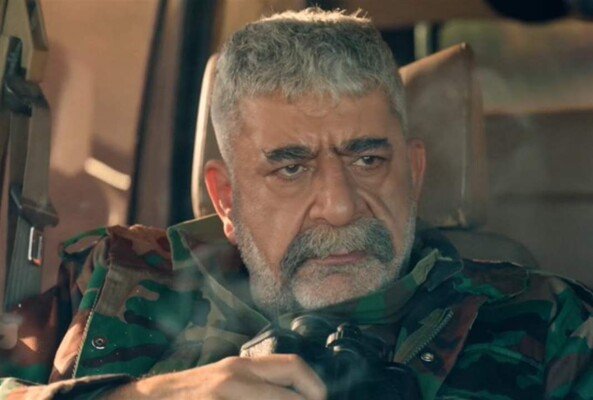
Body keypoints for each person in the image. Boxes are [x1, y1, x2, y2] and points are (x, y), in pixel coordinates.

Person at [1, 8, 592, 400]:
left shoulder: (550, 324)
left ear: (413, 173)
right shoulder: (109, 282)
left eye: (368, 160)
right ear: (226, 198)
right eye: (291, 168)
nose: (339, 207)